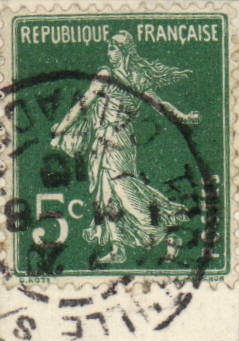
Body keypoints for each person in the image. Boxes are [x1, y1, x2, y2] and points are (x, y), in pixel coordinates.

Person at [48, 31, 198, 264]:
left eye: (113, 49)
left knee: (125, 190)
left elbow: (83, 104)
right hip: (107, 141)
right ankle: (118, 248)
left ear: (124, 52)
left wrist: (60, 128)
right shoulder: (129, 79)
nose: (109, 54)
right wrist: (183, 116)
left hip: (116, 142)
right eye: (109, 49)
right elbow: (86, 103)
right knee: (107, 194)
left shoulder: (114, 77)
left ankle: (169, 227)